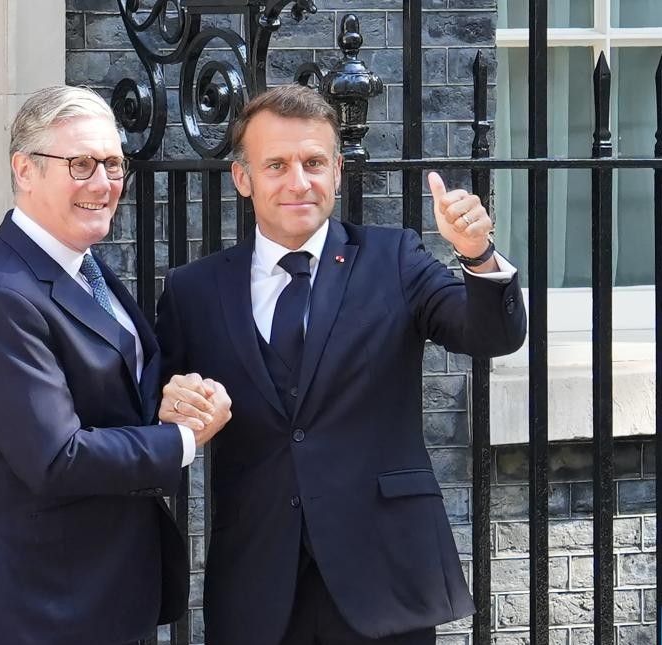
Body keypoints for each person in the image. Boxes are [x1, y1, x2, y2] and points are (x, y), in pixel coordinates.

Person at [156, 84, 527, 645]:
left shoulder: (393, 257)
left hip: (381, 574)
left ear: (337, 172)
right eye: (276, 164)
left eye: (313, 163)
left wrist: (476, 255)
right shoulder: (193, 290)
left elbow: (490, 334)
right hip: (256, 581)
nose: (297, 181)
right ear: (242, 178)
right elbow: (159, 410)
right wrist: (172, 405)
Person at [0, 85, 231, 645]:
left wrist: (173, 396)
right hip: (33, 611)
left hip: (99, 599)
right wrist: (182, 439)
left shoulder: (80, 267)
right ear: (25, 170)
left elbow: (111, 385)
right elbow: (57, 458)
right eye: (81, 164)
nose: (103, 184)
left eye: (114, 165)